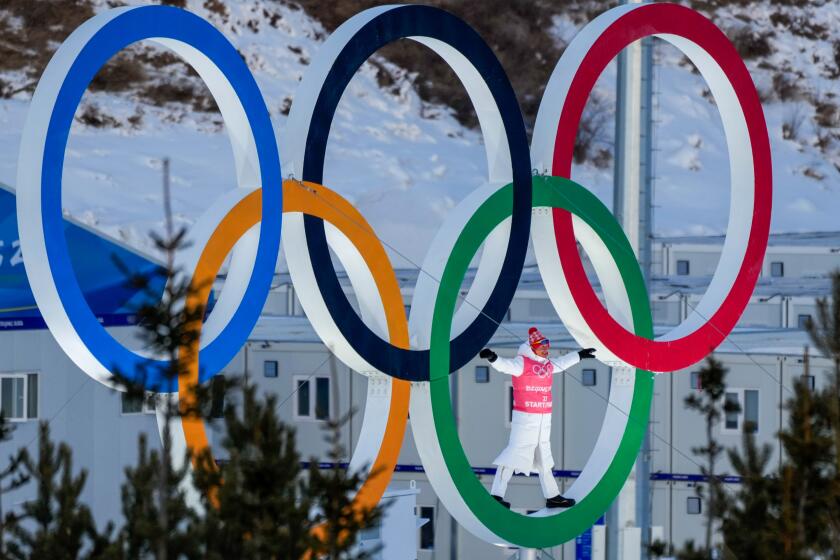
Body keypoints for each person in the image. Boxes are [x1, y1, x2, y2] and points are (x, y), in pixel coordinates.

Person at [479, 327, 596, 509]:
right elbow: (505, 366)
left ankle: (553, 496)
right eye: (542, 347)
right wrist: (493, 358)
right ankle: (496, 495)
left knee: (544, 458)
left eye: (547, 346)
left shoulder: (547, 365)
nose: (546, 350)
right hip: (525, 419)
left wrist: (579, 355)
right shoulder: (522, 364)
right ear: (533, 347)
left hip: (543, 419)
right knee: (514, 454)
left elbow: (562, 362)